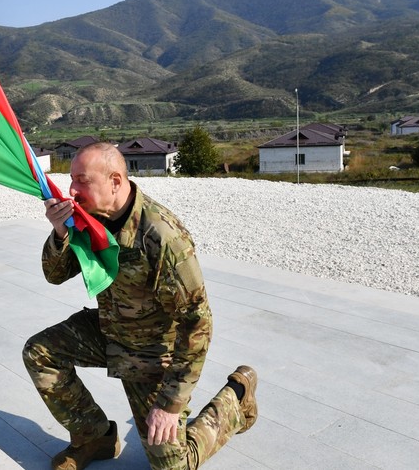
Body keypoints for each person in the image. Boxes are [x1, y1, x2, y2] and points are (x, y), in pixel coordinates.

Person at [23, 142, 257, 470]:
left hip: (153, 353)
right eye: (71, 180)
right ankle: (94, 436)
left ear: (115, 181)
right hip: (110, 330)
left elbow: (197, 322)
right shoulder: (89, 217)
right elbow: (56, 275)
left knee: (171, 466)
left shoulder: (162, 236)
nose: (72, 190)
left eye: (82, 180)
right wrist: (60, 231)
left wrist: (171, 405)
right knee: (40, 352)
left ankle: (235, 400)